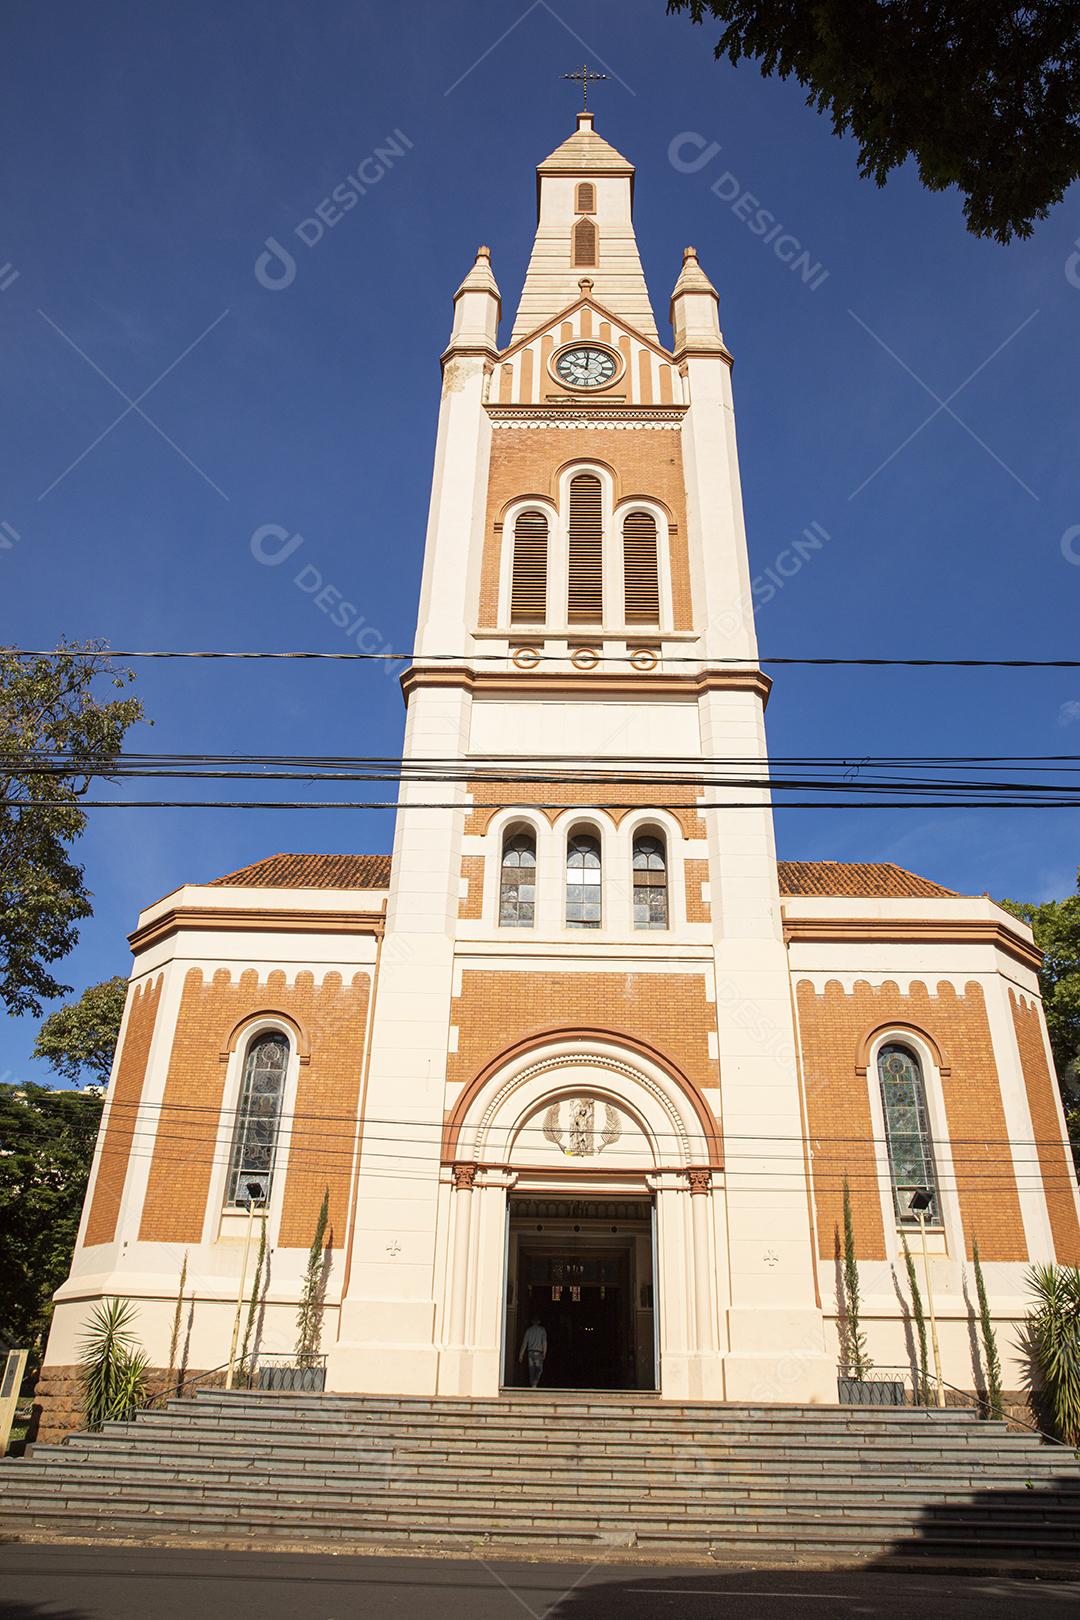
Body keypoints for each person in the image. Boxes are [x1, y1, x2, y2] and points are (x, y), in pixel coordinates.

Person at [518, 1316, 548, 1388]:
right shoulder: (542, 1330)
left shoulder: (528, 1330)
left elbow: (524, 1343)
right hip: (538, 1352)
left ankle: (532, 1384)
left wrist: (521, 1354)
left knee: (531, 1369)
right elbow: (544, 1342)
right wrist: (545, 1352)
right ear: (539, 1322)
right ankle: (535, 1383)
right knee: (539, 1369)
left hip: (530, 1352)